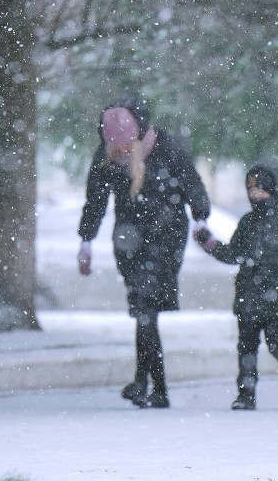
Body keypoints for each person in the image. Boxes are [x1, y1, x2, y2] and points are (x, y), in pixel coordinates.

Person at [77, 97, 211, 409]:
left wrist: (200, 219)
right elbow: (95, 199)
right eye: (115, 149)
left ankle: (150, 385)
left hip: (165, 240)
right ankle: (149, 386)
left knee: (145, 311)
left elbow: (194, 186)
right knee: (143, 313)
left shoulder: (167, 149)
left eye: (126, 149)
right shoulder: (107, 155)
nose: (120, 155)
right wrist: (86, 240)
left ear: (138, 140)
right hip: (128, 241)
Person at [193, 159, 278, 410]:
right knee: (246, 346)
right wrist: (210, 244)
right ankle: (246, 394)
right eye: (251, 190)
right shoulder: (248, 223)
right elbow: (233, 253)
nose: (255, 195)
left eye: (261, 189)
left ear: (274, 189)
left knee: (275, 341)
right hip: (248, 295)